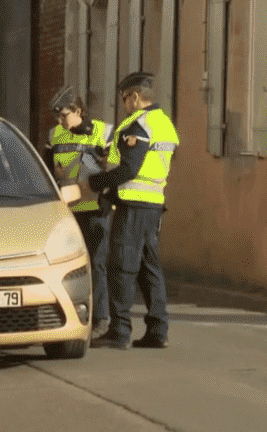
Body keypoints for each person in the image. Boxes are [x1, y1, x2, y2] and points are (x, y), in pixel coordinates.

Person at [79, 72, 179, 350]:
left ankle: (119, 330)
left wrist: (95, 183)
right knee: (150, 268)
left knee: (120, 267)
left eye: (124, 98)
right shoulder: (164, 124)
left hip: (133, 204)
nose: (123, 104)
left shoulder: (138, 125)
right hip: (154, 203)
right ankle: (158, 331)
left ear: (134, 97)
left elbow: (128, 169)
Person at [47, 86, 114, 339]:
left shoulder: (103, 132)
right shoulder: (55, 135)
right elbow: (48, 171)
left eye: (64, 115)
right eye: (57, 117)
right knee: (67, 266)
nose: (60, 121)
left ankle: (100, 319)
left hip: (96, 208)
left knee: (96, 264)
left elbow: (113, 170)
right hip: (67, 213)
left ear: (78, 110)